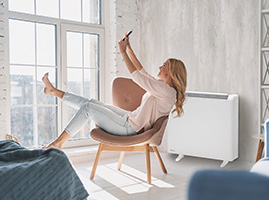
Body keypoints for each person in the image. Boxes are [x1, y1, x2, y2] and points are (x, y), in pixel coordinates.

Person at [42, 34, 187, 149]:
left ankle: (58, 143)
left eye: (164, 65)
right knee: (92, 102)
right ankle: (54, 91)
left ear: (172, 72)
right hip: (128, 118)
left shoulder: (167, 92)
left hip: (129, 128)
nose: (160, 67)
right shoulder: (163, 87)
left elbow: (137, 76)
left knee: (88, 108)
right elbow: (142, 71)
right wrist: (129, 49)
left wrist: (122, 52)